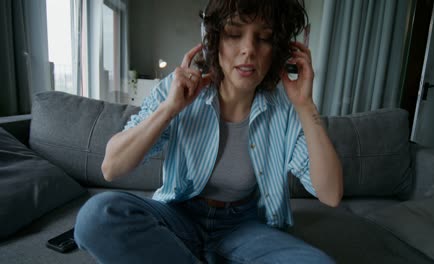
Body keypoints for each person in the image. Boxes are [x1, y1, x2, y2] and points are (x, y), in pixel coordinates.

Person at [74, 0, 343, 263]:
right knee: (96, 216)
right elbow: (112, 167)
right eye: (234, 34)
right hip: (179, 215)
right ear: (213, 40)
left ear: (277, 49)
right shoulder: (177, 88)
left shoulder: (285, 105)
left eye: (264, 38)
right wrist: (169, 108)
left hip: (242, 226)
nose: (248, 49)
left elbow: (331, 195)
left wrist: (306, 105)